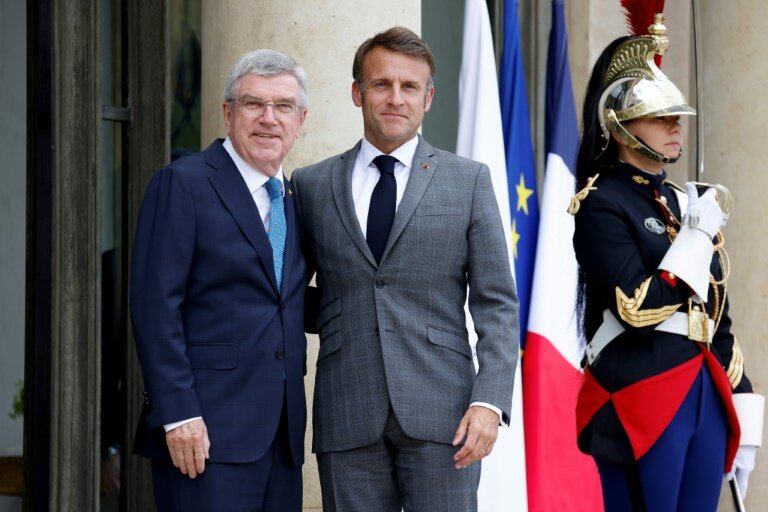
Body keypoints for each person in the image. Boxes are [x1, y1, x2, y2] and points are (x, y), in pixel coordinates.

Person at [293, 26, 519, 511]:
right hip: (346, 407)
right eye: (381, 84)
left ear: (428, 97)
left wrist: (490, 401)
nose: (395, 98)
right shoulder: (311, 185)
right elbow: (292, 293)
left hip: (447, 415)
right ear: (358, 92)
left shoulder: (468, 182)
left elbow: (497, 302)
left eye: (409, 87)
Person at [570, 12, 763, 511]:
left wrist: (742, 400)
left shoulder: (682, 203)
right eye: (660, 116)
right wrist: (697, 239)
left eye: (677, 115)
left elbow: (717, 312)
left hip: (703, 392)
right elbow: (637, 307)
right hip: (639, 391)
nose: (676, 126)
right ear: (619, 126)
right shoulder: (602, 203)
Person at [130, 49, 310, 511]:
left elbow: (283, 300)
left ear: (301, 119)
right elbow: (155, 307)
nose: (269, 118)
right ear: (228, 113)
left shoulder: (293, 197)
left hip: (281, 442)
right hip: (204, 436)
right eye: (254, 104)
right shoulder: (183, 184)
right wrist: (178, 414)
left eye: (283, 106)